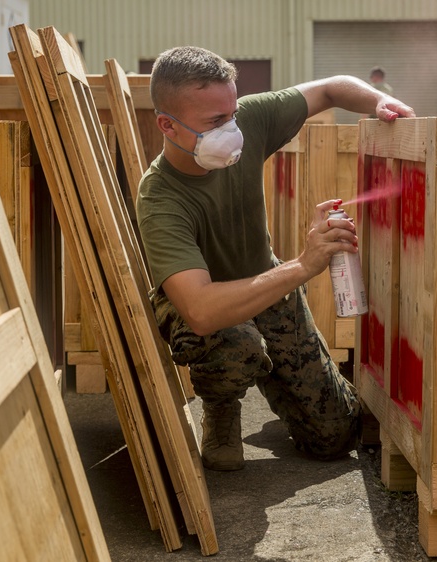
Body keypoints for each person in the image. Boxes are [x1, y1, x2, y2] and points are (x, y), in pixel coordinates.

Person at [137, 46, 415, 471]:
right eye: (215, 122)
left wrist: (378, 101)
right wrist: (304, 265)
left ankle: (278, 373)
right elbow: (200, 310)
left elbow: (329, 89)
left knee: (335, 436)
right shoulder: (161, 199)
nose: (231, 130)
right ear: (167, 126)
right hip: (202, 309)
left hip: (266, 284)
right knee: (238, 344)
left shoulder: (247, 119)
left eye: (231, 114)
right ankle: (221, 404)